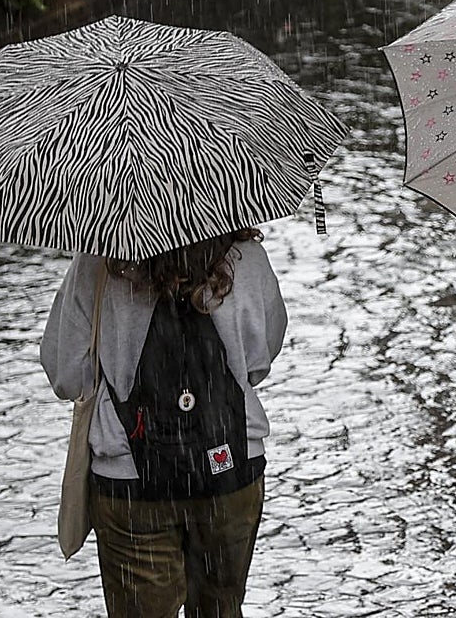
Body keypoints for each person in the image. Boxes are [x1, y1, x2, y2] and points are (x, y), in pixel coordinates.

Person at [41, 228, 287, 618]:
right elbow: (260, 360)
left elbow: (66, 375)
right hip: (230, 467)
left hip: (131, 483)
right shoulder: (246, 257)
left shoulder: (98, 265)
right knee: (220, 609)